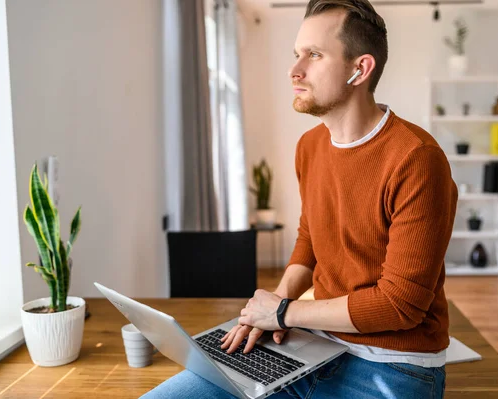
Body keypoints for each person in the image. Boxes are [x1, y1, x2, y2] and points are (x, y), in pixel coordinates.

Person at [142, 0, 457, 397]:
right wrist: (274, 305)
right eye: (296, 54)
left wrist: (282, 312)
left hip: (393, 363)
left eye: (314, 55)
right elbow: (310, 242)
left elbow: (400, 305)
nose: (294, 70)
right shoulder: (309, 146)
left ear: (359, 69)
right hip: (313, 342)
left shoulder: (418, 159)